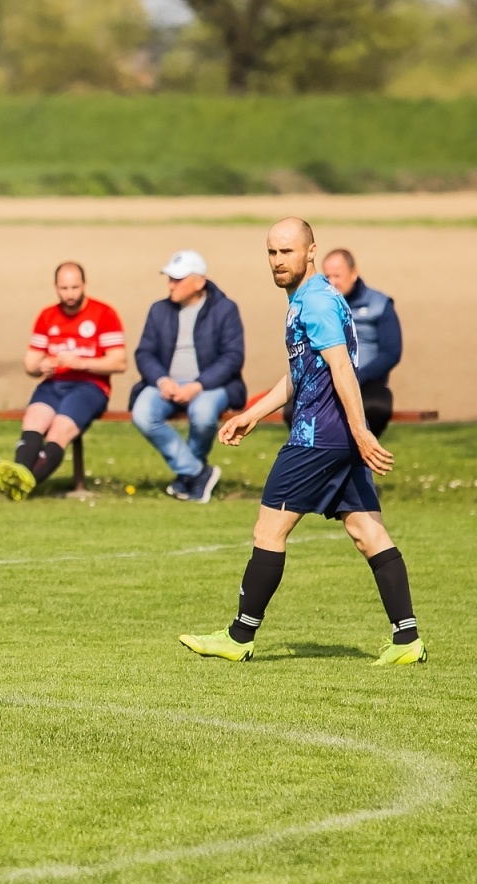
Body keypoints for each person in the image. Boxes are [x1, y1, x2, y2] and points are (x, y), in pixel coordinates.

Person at [180, 218, 426, 667]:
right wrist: (253, 413)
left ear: (311, 252)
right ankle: (407, 638)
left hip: (317, 437)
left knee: (268, 530)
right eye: (272, 252)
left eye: (287, 252)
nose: (278, 261)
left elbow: (342, 370)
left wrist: (360, 431)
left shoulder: (314, 302)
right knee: (365, 530)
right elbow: (301, 373)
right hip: (335, 438)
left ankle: (239, 637)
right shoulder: (310, 299)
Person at [0, 263, 127, 500]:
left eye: (75, 287)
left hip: (90, 387)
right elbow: (30, 363)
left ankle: (22, 485)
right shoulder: (47, 316)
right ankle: (17, 479)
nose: (70, 294)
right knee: (33, 420)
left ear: (84, 285)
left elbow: (119, 362)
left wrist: (80, 362)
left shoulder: (104, 314)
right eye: (64, 288)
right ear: (55, 287)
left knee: (59, 431)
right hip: (54, 385)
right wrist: (40, 366)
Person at [128, 249, 247, 503]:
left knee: (203, 414)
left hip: (211, 386)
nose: (171, 284)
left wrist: (198, 386)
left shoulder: (225, 310)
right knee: (142, 413)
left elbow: (232, 357)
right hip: (166, 385)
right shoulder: (158, 310)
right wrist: (162, 380)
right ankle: (196, 471)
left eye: (177, 279)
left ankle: (188, 479)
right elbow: (144, 353)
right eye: (170, 278)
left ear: (199, 282)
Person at [317, 248, 400, 438]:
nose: (332, 282)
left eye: (337, 275)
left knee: (377, 408)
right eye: (327, 276)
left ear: (353, 273)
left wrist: (358, 376)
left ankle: (362, 452)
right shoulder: (320, 307)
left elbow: (391, 352)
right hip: (326, 381)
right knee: (293, 410)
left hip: (367, 381)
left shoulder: (379, 304)